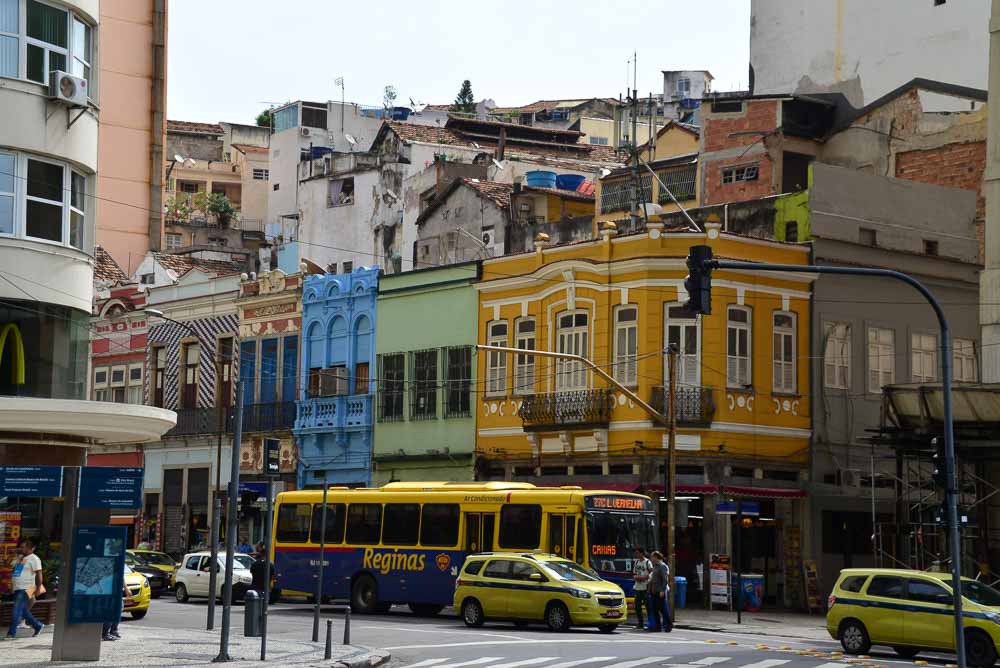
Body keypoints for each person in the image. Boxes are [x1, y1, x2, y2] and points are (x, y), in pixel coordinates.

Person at [6, 538, 45, 640]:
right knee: (21, 610)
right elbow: (7, 563)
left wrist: (38, 589)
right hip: (17, 588)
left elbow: (39, 575)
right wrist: (13, 554)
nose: (21, 549)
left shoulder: (34, 559)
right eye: (21, 547)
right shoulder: (20, 558)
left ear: (31, 548)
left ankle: (11, 633)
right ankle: (37, 625)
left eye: (24, 547)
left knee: (16, 609)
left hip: (27, 588)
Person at [647, 550, 672, 632]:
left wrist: (662, 590)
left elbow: (665, 580)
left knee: (663, 609)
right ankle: (658, 626)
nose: (651, 559)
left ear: (656, 557)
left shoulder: (662, 566)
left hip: (660, 591)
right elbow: (652, 579)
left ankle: (669, 625)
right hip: (654, 591)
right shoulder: (655, 566)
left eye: (652, 557)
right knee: (654, 610)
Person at [631, 547, 652, 630]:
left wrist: (644, 578)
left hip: (645, 587)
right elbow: (634, 573)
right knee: (637, 606)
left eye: (637, 553)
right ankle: (640, 623)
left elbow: (651, 572)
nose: (636, 554)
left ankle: (650, 622)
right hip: (637, 587)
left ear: (642, 553)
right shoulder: (636, 562)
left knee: (648, 606)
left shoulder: (647, 562)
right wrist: (636, 577)